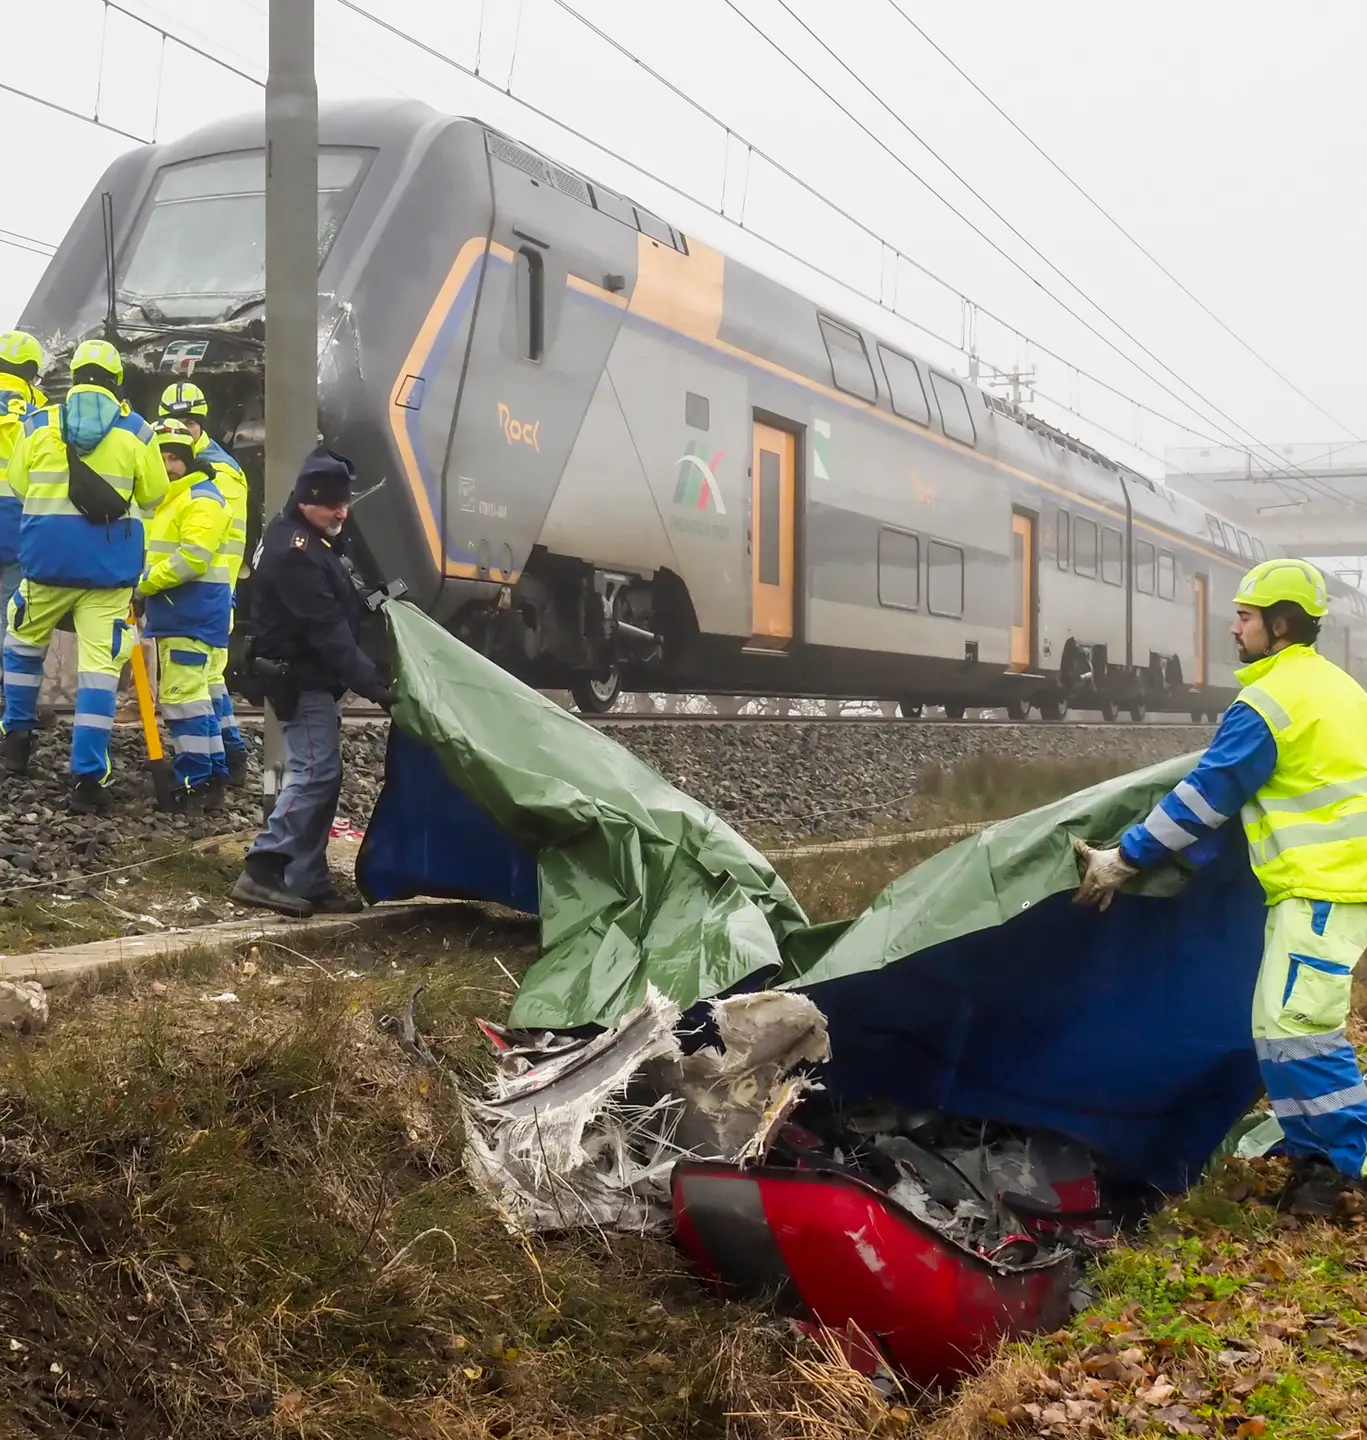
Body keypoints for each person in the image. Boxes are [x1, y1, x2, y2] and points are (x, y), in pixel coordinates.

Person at [1074, 558, 1367, 1217]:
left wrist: (1123, 859)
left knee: (1299, 1031)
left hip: (1322, 888)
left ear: (1280, 624)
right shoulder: (1334, 688)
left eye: (1245, 616)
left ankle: (1353, 1163)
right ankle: (1314, 1159)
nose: (1232, 626)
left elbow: (1205, 798)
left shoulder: (1269, 703)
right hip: (1329, 884)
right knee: (1277, 1029)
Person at [0, 339, 167, 812]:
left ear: (72, 377)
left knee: (23, 646)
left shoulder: (37, 424)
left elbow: (16, 481)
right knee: (98, 672)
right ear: (116, 381)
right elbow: (154, 494)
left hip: (45, 567)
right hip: (108, 575)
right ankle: (87, 780)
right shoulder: (137, 430)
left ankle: (16, 742)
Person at [229, 445, 392, 918]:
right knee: (314, 773)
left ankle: (307, 880)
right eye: (333, 504)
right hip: (299, 681)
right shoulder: (293, 552)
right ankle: (262, 868)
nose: (343, 511)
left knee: (325, 774)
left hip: (309, 677)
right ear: (307, 499)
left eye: (346, 501)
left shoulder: (308, 537)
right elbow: (328, 635)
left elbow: (335, 607)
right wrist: (377, 688)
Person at [159, 381, 250, 786]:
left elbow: (206, 543)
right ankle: (228, 756)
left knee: (192, 687)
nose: (182, 428)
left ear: (201, 423)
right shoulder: (194, 466)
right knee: (207, 683)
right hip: (205, 591)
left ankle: (207, 773)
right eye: (175, 421)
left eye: (189, 422)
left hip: (206, 591)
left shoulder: (215, 474)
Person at [139, 419, 233, 811]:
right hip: (187, 612)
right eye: (159, 457)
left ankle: (193, 781)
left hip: (189, 612)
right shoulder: (178, 497)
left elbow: (192, 559)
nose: (166, 464)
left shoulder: (200, 499)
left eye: (174, 457)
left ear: (189, 460)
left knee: (181, 699)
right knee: (195, 698)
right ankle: (211, 778)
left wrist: (144, 585)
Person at [0, 331, 47, 664]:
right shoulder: (37, 418)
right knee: (12, 613)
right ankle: (7, 691)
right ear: (32, 373)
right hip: (19, 526)